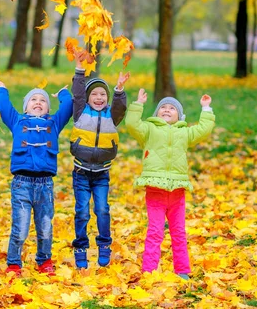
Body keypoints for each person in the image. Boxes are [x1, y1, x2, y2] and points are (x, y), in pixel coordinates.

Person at [125, 89, 215, 280]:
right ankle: (149, 271)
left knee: (179, 232)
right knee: (155, 232)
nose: (166, 110)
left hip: (177, 191)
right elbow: (132, 125)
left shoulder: (185, 133)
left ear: (179, 115)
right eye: (163, 107)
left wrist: (206, 109)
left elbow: (203, 130)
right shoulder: (149, 130)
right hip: (155, 190)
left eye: (172, 108)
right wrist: (138, 104)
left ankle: (182, 270)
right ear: (156, 113)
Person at [0, 76, 73, 276]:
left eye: (43, 100)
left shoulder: (53, 122)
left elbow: (68, 106)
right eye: (33, 100)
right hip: (22, 184)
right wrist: (2, 89)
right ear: (26, 107)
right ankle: (14, 263)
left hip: (45, 184)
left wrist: (62, 94)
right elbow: (4, 107)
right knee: (21, 227)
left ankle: (44, 261)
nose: (38, 103)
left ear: (48, 108)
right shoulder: (18, 120)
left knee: (45, 227)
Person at [70, 51, 129, 269]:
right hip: (81, 173)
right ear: (87, 98)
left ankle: (104, 244)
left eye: (102, 95)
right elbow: (77, 93)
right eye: (94, 94)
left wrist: (119, 90)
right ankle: (81, 247)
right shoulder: (80, 112)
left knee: (102, 209)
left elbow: (120, 107)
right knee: (82, 211)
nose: (98, 98)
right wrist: (79, 68)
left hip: (102, 173)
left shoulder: (110, 116)